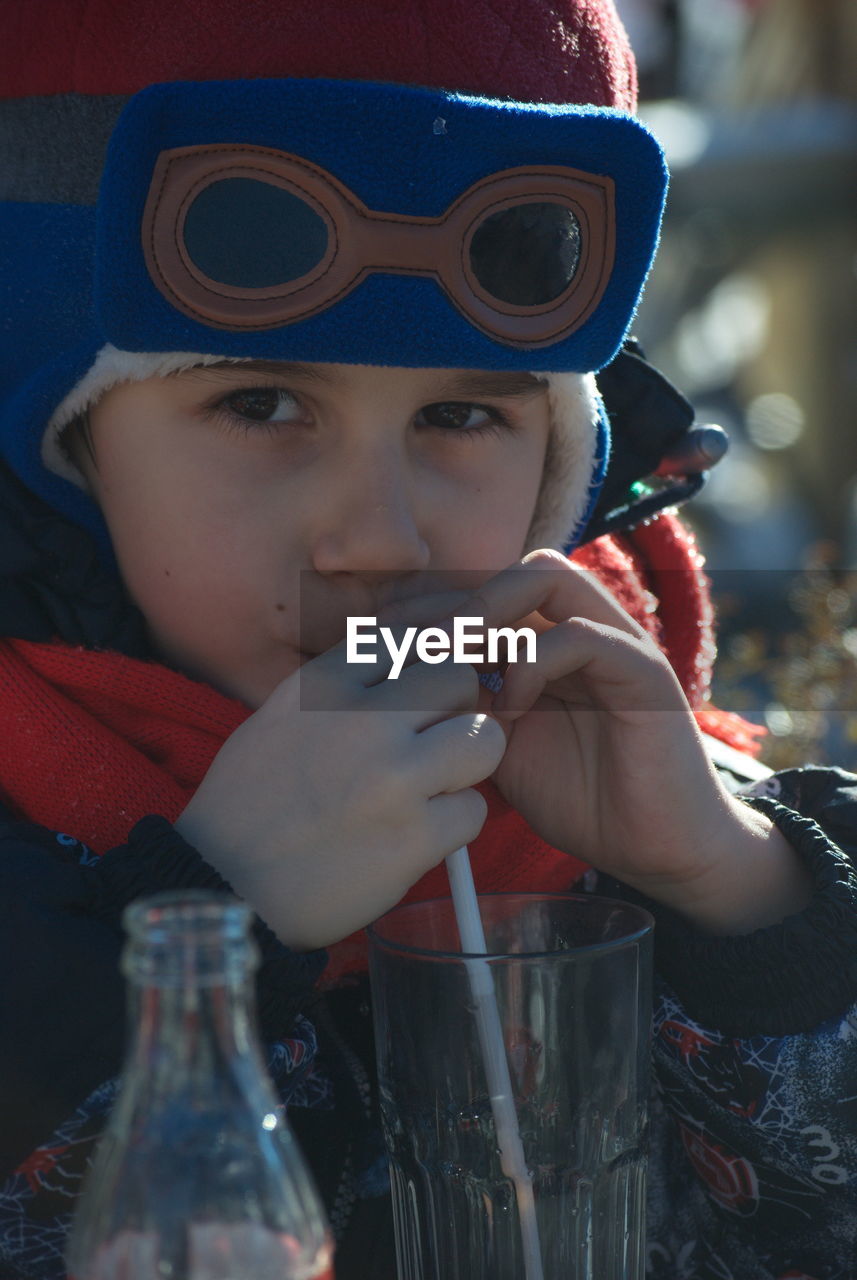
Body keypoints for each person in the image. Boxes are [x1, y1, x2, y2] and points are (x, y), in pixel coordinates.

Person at [1, 0, 856, 1276]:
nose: (380, 538)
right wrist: (195, 936)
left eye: (461, 414)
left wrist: (743, 900)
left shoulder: (632, 768)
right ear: (64, 445)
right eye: (262, 400)